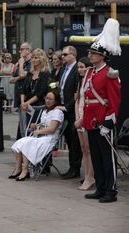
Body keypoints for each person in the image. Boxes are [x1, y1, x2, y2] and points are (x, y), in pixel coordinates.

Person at [83, 19, 121, 203]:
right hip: (91, 119)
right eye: (90, 52)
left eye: (94, 53)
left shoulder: (110, 73)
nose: (90, 55)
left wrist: (108, 121)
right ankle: (100, 187)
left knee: (107, 157)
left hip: (103, 120)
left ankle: (111, 191)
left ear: (103, 56)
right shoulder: (91, 72)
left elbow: (114, 101)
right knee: (96, 156)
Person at [9, 90, 64, 181]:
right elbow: (43, 124)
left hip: (49, 139)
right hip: (41, 137)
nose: (47, 101)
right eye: (47, 98)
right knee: (20, 142)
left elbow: (52, 129)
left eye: (50, 99)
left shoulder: (57, 112)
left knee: (27, 143)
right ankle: (18, 169)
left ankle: (25, 170)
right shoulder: (45, 111)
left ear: (56, 101)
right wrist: (36, 125)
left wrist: (39, 131)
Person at [57, 46, 82, 180]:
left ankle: (75, 168)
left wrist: (67, 107)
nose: (63, 57)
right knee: (69, 140)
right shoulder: (63, 69)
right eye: (62, 54)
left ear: (73, 55)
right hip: (64, 109)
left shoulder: (77, 69)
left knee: (75, 142)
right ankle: (72, 167)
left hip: (73, 111)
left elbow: (76, 94)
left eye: (65, 54)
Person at [16, 48, 50, 140]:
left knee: (35, 128)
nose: (34, 60)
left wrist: (27, 103)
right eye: (33, 58)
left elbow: (42, 92)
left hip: (39, 105)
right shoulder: (30, 74)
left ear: (42, 59)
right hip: (27, 106)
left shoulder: (45, 73)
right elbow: (23, 90)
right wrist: (23, 102)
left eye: (36, 58)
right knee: (25, 128)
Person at [74, 57, 94, 191]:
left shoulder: (90, 80)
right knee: (83, 148)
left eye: (82, 67)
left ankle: (90, 177)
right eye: (78, 67)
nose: (80, 69)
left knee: (89, 148)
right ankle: (87, 174)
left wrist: (82, 118)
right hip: (79, 117)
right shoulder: (80, 81)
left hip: (87, 118)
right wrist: (77, 117)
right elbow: (77, 101)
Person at [10, 42, 32, 109]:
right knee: (21, 118)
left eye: (22, 49)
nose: (20, 51)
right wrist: (18, 78)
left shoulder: (31, 62)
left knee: (26, 117)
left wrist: (21, 63)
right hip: (19, 93)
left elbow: (22, 74)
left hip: (26, 94)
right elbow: (11, 79)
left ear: (28, 50)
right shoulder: (20, 63)